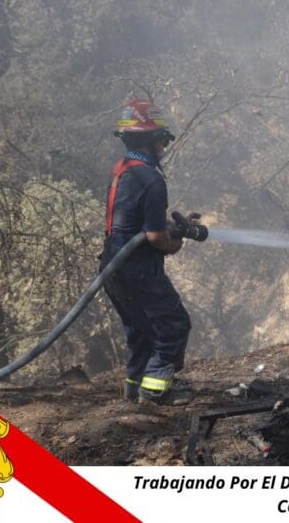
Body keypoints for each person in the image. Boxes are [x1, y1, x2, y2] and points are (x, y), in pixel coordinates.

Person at [100, 98, 198, 406]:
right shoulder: (152, 179)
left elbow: (135, 220)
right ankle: (155, 391)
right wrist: (174, 243)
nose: (162, 149)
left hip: (112, 267)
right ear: (150, 141)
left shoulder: (124, 171)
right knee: (173, 325)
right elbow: (155, 237)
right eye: (160, 142)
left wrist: (170, 226)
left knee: (140, 329)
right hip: (139, 269)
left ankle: (134, 388)